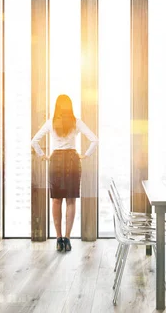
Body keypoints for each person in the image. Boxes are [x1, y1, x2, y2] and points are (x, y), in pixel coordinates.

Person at [31, 94, 98, 252]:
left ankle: (58, 238)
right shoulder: (76, 122)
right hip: (72, 161)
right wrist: (86, 155)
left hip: (56, 161)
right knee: (71, 201)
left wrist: (42, 155)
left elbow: (34, 141)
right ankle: (67, 239)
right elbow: (94, 139)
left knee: (56, 200)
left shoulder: (51, 123)